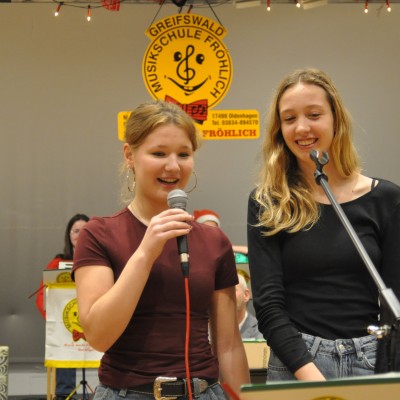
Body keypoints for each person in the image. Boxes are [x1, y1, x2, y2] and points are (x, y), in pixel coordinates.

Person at [72, 99, 250, 400]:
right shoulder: (99, 234)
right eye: (159, 153)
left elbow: (229, 346)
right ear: (130, 155)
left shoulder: (213, 241)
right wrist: (146, 252)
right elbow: (99, 335)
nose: (173, 166)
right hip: (126, 393)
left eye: (184, 154)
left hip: (202, 392)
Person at [247, 68, 400, 382]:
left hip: (371, 361)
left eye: (314, 114)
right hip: (297, 363)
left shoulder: (385, 198)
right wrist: (313, 380)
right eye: (289, 119)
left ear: (336, 119)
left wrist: (386, 371)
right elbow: (269, 306)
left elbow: (394, 302)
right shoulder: (268, 202)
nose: (302, 127)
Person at [36, 213, 90, 400]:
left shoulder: (99, 261)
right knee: (64, 345)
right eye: (76, 231)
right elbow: (42, 295)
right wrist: (54, 320)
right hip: (66, 325)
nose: (80, 234)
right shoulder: (57, 263)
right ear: (69, 234)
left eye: (85, 230)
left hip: (93, 321)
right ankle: (65, 395)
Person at [236, 273, 263, 340]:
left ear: (246, 295)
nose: (226, 297)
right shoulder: (212, 329)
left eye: (232, 290)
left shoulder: (261, 330)